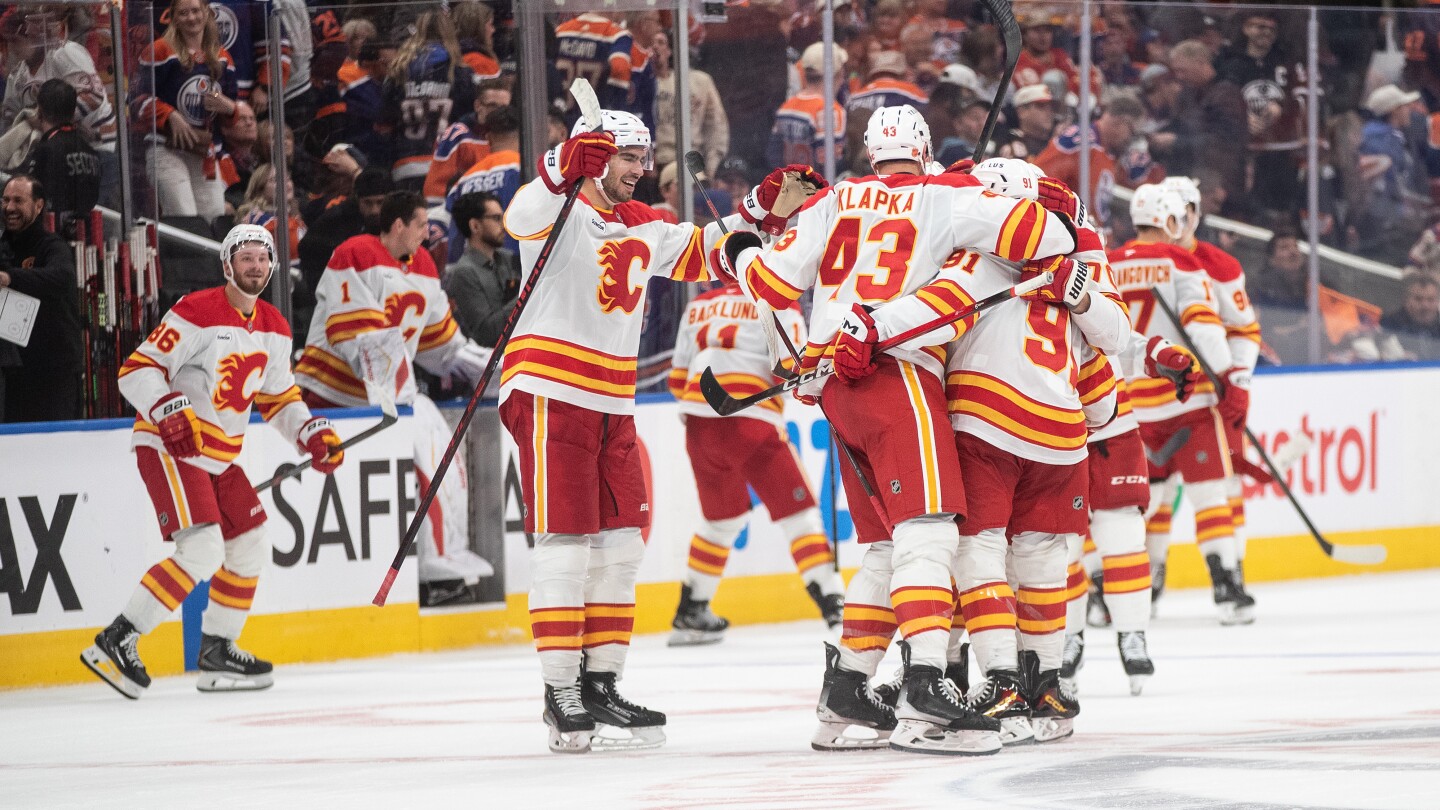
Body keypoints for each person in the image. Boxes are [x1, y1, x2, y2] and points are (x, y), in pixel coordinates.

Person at [719, 105, 1078, 755]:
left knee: (886, 544)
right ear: (926, 149)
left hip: (835, 385)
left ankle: (849, 689)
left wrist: (741, 246)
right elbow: (1051, 237)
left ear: (869, 151)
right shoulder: (949, 196)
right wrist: (984, 197)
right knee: (931, 526)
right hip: (897, 371)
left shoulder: (832, 199)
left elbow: (771, 284)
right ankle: (924, 684)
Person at [498, 109, 796, 753]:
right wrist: (559, 164)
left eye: (642, 158)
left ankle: (601, 684)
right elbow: (519, 217)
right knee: (566, 545)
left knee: (622, 546)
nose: (641, 170)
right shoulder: (557, 211)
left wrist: (756, 210)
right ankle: (561, 693)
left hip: (612, 398)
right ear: (596, 158)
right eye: (629, 159)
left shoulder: (645, 224)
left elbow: (708, 251)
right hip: (550, 389)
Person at [853, 156, 1129, 743]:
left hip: (988, 425)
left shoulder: (978, 261)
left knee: (973, 556)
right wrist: (1079, 299)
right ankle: (1045, 687)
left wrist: (862, 333)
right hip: (1063, 440)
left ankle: (999, 679)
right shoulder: (1076, 269)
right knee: (1042, 563)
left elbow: (928, 317)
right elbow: (1112, 357)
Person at [80, 224, 345, 699]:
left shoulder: (275, 327)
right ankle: (117, 639)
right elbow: (136, 370)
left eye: (263, 258)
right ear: (227, 266)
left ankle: (216, 650)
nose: (255, 266)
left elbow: (280, 399)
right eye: (245, 258)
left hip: (219, 456)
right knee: (202, 549)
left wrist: (310, 432)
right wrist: (167, 409)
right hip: (171, 447)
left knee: (249, 543)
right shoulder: (196, 310)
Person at [295, 191, 495, 605]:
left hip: (392, 397)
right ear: (398, 225)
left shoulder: (423, 265)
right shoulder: (354, 254)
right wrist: (402, 396)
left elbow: (442, 346)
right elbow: (358, 336)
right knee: (418, 445)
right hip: (330, 395)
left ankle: (441, 564)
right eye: (422, 224)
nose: (429, 233)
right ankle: (434, 569)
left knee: (443, 455)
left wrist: (489, 365)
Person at [665, 282, 846, 646]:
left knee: (722, 520)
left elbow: (675, 381)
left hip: (699, 425)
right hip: (751, 421)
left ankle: (691, 609)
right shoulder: (780, 303)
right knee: (799, 516)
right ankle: (835, 605)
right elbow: (793, 372)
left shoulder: (699, 304)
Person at [1106, 185, 1254, 626]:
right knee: (1210, 494)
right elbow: (1207, 332)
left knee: (1147, 501)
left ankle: (1139, 591)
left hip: (1131, 403)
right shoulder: (1183, 260)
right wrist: (1229, 379)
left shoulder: (1108, 263)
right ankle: (1227, 586)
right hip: (1185, 398)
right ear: (1171, 221)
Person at [133, 0, 240, 221]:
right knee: (184, 217)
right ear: (173, 18)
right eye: (183, 13)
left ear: (206, 13)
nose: (191, 18)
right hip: (167, 148)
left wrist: (229, 108)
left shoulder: (222, 57)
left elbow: (229, 122)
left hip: (204, 153)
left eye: (195, 11)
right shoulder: (160, 51)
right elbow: (135, 100)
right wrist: (169, 115)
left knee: (215, 217)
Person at [0, 175, 82, 423]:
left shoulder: (52, 245)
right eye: (5, 200)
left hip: (53, 370)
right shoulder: (3, 245)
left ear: (38, 205)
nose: (9, 207)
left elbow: (63, 277)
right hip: (13, 370)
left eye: (18, 200)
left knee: (55, 446)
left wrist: (10, 278)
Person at [1214, 11, 1312, 218]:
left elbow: (1299, 98)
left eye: (1271, 30)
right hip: (1243, 149)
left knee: (1280, 204)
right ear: (1246, 29)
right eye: (1260, 27)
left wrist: (1281, 107)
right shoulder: (1230, 63)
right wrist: (1242, 119)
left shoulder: (1285, 63)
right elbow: (1219, 101)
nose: (1266, 33)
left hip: (1280, 148)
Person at [382, 11, 475, 189]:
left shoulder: (397, 72)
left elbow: (386, 124)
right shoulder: (460, 73)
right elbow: (467, 120)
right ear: (450, 33)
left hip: (405, 163)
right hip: (446, 162)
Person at [1034, 93, 1147, 227]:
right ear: (1119, 122)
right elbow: (1037, 180)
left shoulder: (1109, 152)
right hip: (1063, 233)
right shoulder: (1079, 143)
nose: (1130, 140)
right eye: (1132, 132)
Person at [1167, 40, 1248, 215]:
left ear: (1200, 63)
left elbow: (1225, 141)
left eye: (1183, 70)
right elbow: (1177, 126)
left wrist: (1176, 142)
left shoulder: (1226, 95)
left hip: (1221, 187)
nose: (1179, 76)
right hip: (1188, 179)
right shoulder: (1186, 95)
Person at [438, 105, 521, 262]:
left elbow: (455, 242)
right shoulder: (530, 171)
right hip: (521, 272)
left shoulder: (461, 183)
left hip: (474, 272)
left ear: (488, 138)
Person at [297, 167, 392, 298]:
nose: (374, 210)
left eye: (380, 202)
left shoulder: (399, 219)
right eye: (368, 203)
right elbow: (308, 250)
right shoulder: (335, 221)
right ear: (357, 199)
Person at [443, 191, 518, 348]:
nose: (503, 225)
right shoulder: (464, 273)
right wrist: (526, 297)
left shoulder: (509, 259)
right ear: (475, 226)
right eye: (497, 218)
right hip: (492, 364)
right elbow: (486, 333)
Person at [21, 79, 100, 227]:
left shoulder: (46, 150)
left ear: (40, 111)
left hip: (53, 236)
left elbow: (31, 199)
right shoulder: (91, 151)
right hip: (85, 235)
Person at [423, 78, 512, 206]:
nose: (499, 112)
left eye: (504, 107)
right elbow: (435, 188)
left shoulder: (513, 137)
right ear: (478, 106)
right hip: (465, 213)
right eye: (492, 106)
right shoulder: (457, 135)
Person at [652, 28, 728, 173]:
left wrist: (711, 167)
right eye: (651, 43)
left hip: (692, 161)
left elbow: (716, 126)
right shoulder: (640, 83)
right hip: (656, 164)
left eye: (661, 43)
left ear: (670, 49)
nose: (655, 47)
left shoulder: (699, 82)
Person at [768, 42, 847, 170]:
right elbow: (830, 165)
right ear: (836, 74)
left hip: (791, 186)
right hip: (818, 187)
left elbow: (773, 155)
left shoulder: (786, 107)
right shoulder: (829, 110)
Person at [1381, 273, 1440, 360]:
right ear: (1406, 300)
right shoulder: (1390, 323)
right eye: (1418, 299)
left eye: (1430, 300)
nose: (1425, 305)